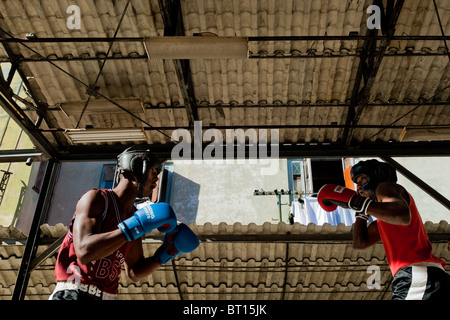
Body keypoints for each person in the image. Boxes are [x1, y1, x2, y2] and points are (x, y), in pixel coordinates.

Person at [49, 146, 199, 300]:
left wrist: (165, 253)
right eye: (154, 171)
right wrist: (135, 226)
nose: (157, 179)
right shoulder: (97, 199)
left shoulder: (134, 217)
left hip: (108, 296)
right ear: (137, 167)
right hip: (74, 291)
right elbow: (85, 252)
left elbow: (134, 272)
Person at [317, 159, 450, 300]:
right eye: (357, 183)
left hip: (418, 276)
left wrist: (359, 203)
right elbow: (360, 243)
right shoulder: (384, 219)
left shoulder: (385, 188)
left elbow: (402, 215)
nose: (359, 186)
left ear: (378, 175)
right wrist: (360, 212)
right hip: (426, 276)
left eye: (362, 179)